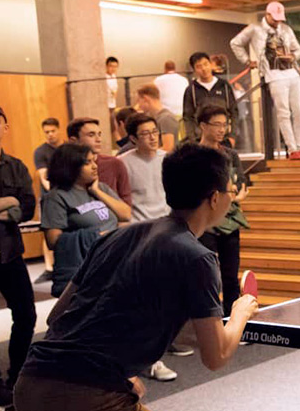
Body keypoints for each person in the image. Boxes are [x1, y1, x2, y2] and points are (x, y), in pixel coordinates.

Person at [15, 144, 260, 411]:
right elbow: (217, 355)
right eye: (230, 190)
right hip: (85, 394)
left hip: (32, 381)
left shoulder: (115, 236)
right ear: (215, 198)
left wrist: (123, 372)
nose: (232, 197)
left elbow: (57, 317)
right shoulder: (197, 258)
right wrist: (240, 311)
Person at [119, 113, 189, 381]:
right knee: (144, 300)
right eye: (145, 133)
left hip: (168, 231)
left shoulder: (167, 160)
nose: (152, 136)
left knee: (169, 298)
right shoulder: (122, 163)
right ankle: (150, 360)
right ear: (133, 138)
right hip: (139, 235)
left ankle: (158, 347)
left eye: (154, 131)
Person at [0, 105, 37, 408]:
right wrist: (8, 201)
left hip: (10, 251)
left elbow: (27, 208)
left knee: (27, 314)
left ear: (5, 128)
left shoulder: (17, 166)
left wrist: (4, 203)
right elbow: (15, 204)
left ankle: (17, 373)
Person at [41, 143, 131, 297]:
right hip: (86, 268)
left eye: (94, 161)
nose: (94, 166)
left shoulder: (101, 188)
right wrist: (96, 236)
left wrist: (96, 191)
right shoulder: (56, 197)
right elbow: (53, 240)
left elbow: (125, 214)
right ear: (70, 166)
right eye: (87, 163)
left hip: (114, 261)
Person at [230, 1, 300, 159]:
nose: (277, 22)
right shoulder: (254, 29)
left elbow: (298, 49)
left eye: (279, 18)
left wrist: (292, 56)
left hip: (292, 73)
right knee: (283, 112)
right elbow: (235, 43)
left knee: (299, 111)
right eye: (275, 18)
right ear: (267, 15)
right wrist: (247, 60)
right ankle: (292, 149)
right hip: (273, 75)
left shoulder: (286, 30)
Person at [197, 105, 250, 317]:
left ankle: (231, 318)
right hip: (205, 222)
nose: (222, 129)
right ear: (202, 126)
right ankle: (208, 320)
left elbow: (241, 184)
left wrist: (232, 195)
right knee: (207, 274)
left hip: (229, 220)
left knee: (230, 274)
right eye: (216, 124)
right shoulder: (194, 154)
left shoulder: (230, 154)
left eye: (224, 125)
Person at [68, 117, 132, 205]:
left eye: (99, 134)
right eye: (91, 135)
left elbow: (126, 203)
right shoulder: (65, 168)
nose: (98, 140)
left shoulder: (114, 163)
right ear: (73, 141)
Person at [182, 52, 238, 147]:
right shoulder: (191, 90)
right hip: (201, 140)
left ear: (211, 64)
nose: (204, 69)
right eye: (199, 66)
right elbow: (188, 117)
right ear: (194, 70)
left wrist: (232, 136)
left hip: (223, 138)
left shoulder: (224, 86)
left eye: (206, 64)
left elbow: (234, 112)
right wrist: (192, 139)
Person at [33, 117, 62, 284]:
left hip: (70, 194)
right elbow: (44, 177)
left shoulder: (67, 149)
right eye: (47, 132)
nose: (50, 135)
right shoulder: (41, 152)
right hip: (50, 197)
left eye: (53, 131)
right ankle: (49, 268)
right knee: (48, 230)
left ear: (59, 129)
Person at [136, 83, 180, 152]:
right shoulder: (154, 118)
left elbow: (168, 148)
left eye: (138, 101)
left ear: (145, 99)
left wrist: (145, 153)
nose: (139, 106)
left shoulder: (166, 118)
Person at [106, 56, 120, 140]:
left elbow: (115, 90)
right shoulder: (104, 76)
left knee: (113, 125)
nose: (113, 68)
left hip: (112, 104)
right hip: (106, 104)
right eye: (111, 66)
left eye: (115, 66)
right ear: (107, 66)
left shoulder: (114, 76)